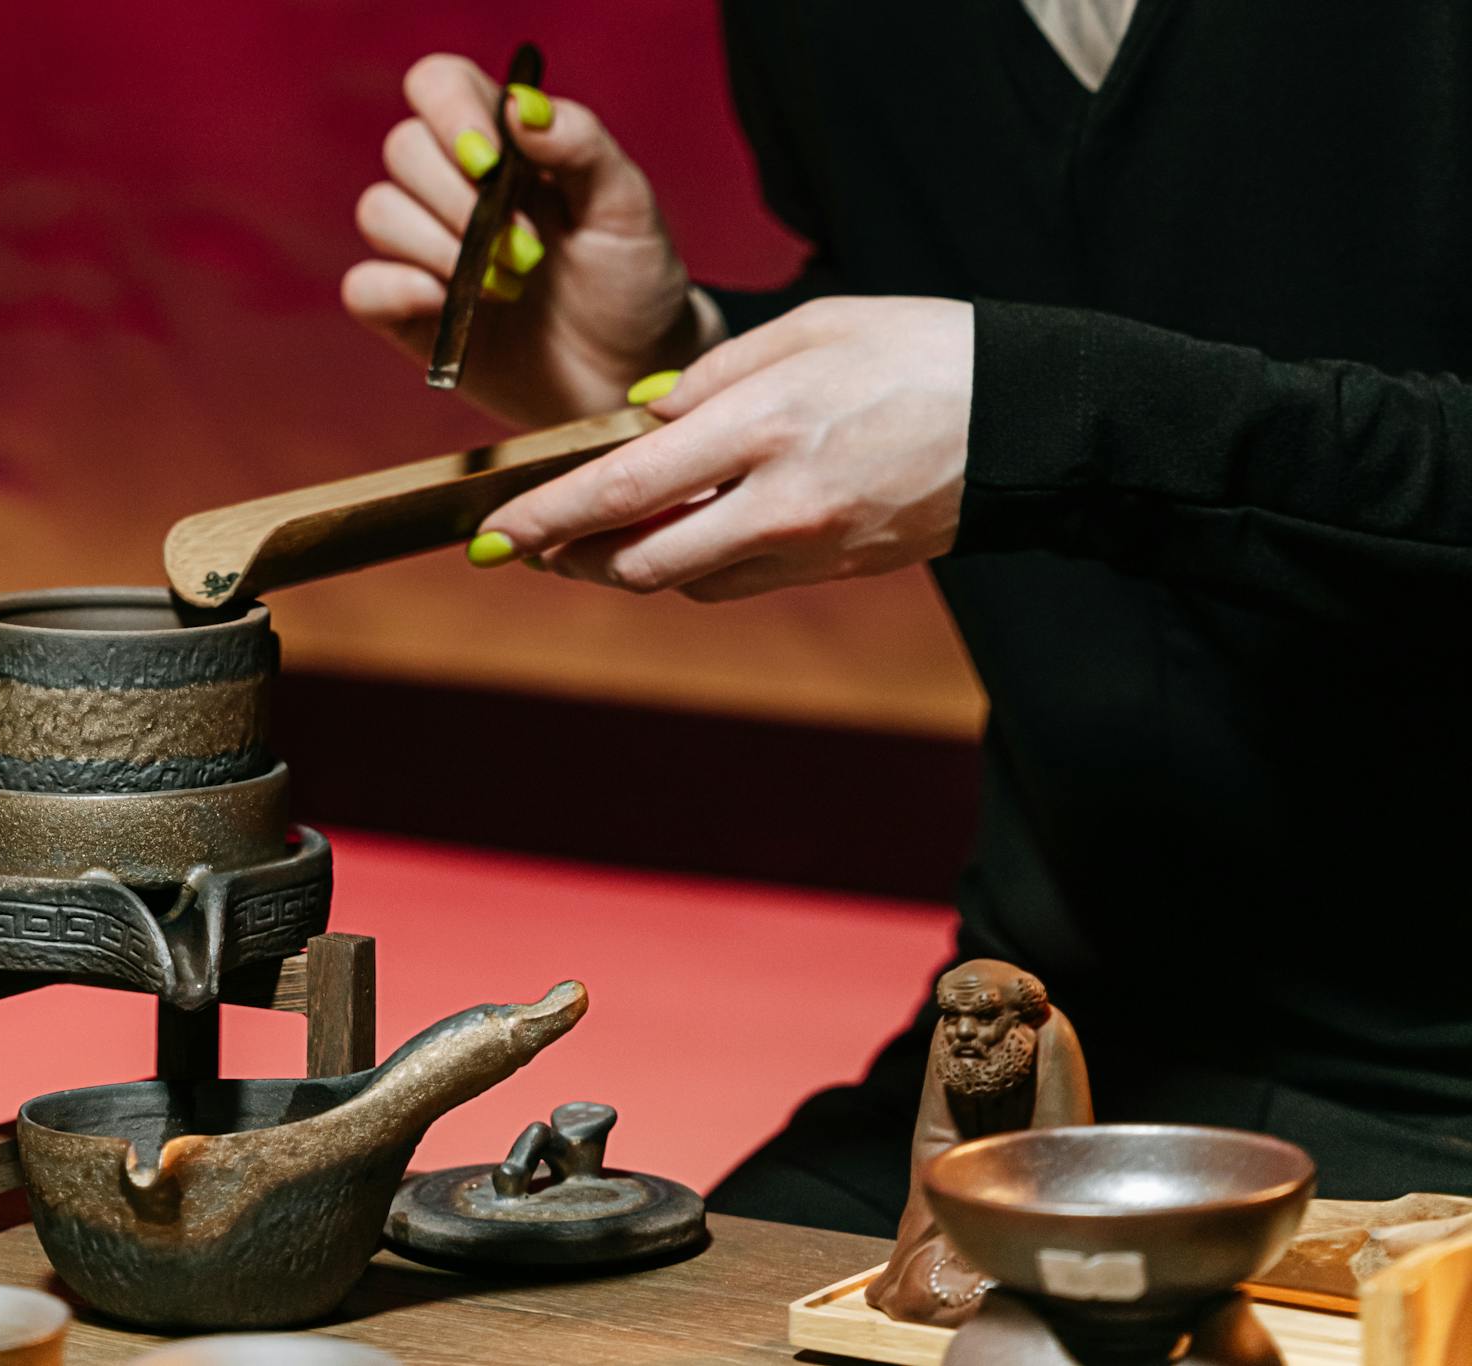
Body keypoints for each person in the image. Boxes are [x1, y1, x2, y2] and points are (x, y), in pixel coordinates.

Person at [342, 2, 1472, 1235]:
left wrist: (1048, 421)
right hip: (1039, 1039)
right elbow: (1014, 298)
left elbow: (1057, 391)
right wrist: (677, 362)